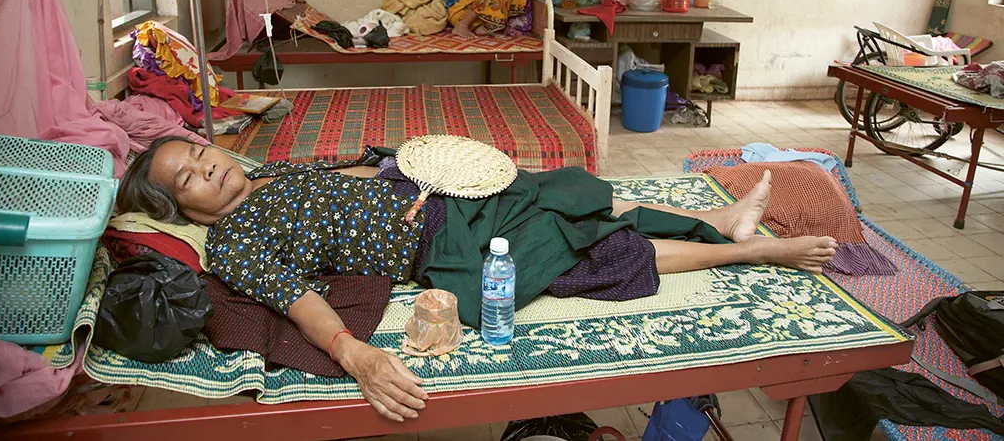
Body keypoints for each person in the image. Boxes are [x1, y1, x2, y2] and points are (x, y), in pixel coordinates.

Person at [117, 137, 838, 423]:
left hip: (430, 186)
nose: (208, 167)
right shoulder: (236, 243)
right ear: (182, 208)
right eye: (188, 177)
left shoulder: (271, 170)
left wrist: (414, 164)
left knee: (564, 186)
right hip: (434, 238)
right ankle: (751, 252)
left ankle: (715, 213)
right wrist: (355, 352)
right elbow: (296, 299)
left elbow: (354, 174)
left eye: (202, 152)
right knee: (582, 253)